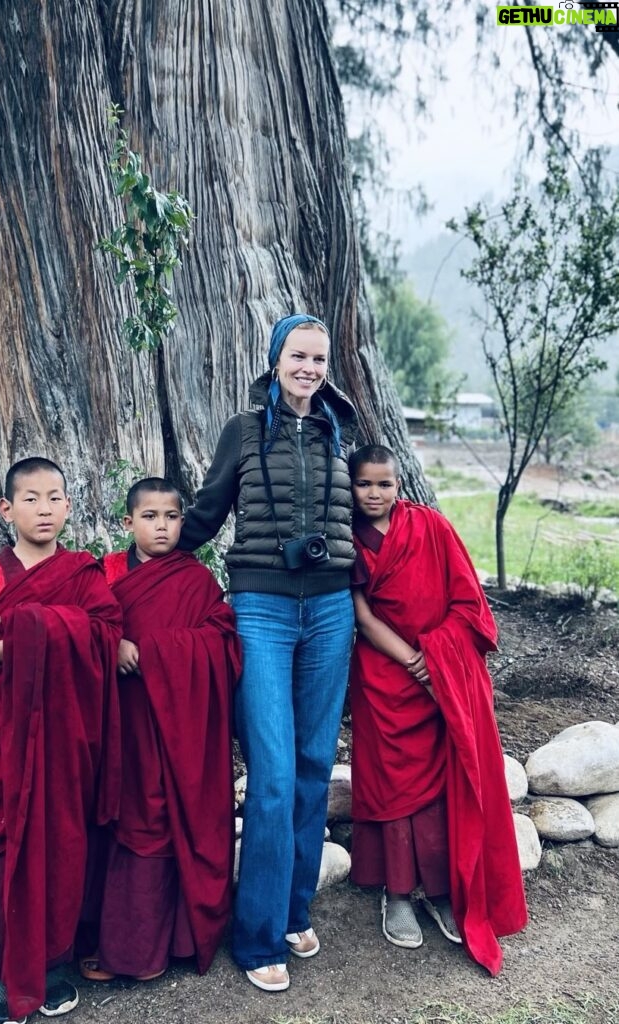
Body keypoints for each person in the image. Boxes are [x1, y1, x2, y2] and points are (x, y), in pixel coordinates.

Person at [178, 313, 358, 992]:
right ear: (274, 359)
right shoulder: (243, 431)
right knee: (275, 773)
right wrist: (142, 565)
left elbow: (358, 521)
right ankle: (255, 940)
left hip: (332, 610)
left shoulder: (337, 432)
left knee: (314, 765)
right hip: (262, 609)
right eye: (296, 356)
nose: (308, 368)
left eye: (317, 358)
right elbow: (204, 513)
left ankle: (291, 910)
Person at [0, 457, 122, 1024]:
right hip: (0, 734)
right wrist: (24, 641)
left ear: (68, 506)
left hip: (64, 734)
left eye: (54, 498)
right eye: (30, 499)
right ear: (7, 509)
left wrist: (46, 632)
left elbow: (105, 637)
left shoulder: (83, 572)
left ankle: (51, 962)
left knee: (59, 842)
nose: (43, 509)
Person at [347, 444, 528, 976]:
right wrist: (412, 660)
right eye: (364, 484)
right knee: (394, 785)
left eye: (385, 483)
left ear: (400, 484)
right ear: (350, 488)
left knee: (441, 784)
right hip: (384, 673)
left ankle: (443, 888)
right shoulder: (347, 539)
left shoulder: (432, 528)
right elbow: (360, 614)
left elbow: (468, 602)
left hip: (440, 678)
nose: (375, 493)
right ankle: (399, 893)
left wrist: (437, 657)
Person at [80, 477, 242, 982]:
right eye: (150, 517)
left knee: (161, 818)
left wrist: (150, 653)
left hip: (179, 726)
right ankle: (124, 945)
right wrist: (112, 644)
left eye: (172, 517)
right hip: (122, 724)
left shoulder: (196, 581)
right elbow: (83, 627)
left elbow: (223, 642)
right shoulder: (105, 574)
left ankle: (162, 946)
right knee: (126, 819)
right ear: (128, 523)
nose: (163, 526)